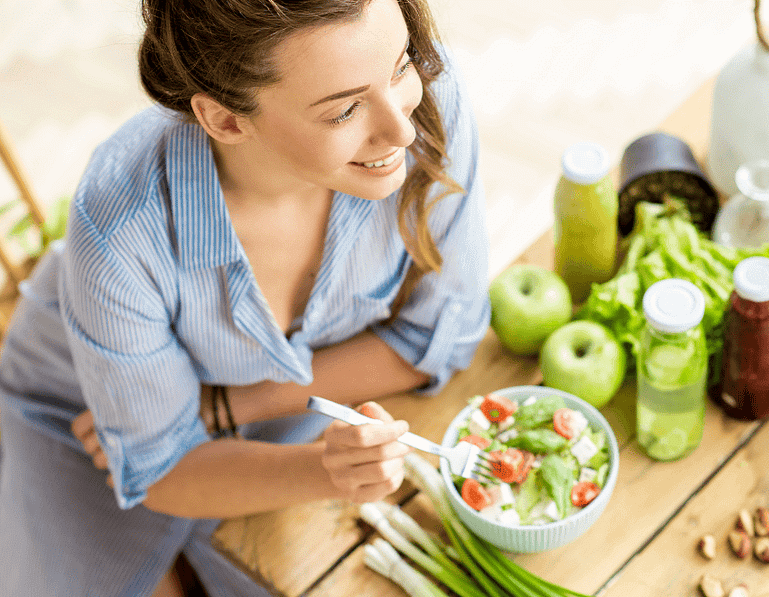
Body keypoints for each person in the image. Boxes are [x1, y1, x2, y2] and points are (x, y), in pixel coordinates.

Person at [0, 0, 489, 594]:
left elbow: (441, 335)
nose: (402, 131)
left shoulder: (429, 104)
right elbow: (163, 468)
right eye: (344, 110)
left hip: (273, 408)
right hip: (81, 413)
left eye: (401, 64)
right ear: (227, 120)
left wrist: (227, 408)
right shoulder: (120, 226)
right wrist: (326, 469)